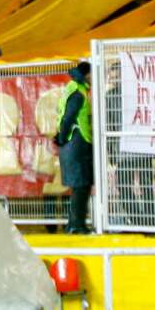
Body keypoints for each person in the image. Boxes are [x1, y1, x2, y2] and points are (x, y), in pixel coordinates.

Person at [54, 61, 95, 235]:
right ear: (86, 74)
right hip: (76, 143)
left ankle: (75, 223)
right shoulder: (78, 93)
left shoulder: (74, 88)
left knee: (81, 186)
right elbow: (69, 117)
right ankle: (76, 225)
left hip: (74, 143)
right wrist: (62, 138)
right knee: (80, 185)